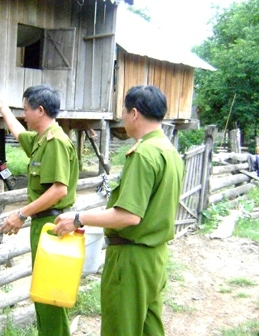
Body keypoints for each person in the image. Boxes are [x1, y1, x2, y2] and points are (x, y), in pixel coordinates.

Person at [53, 85, 184, 336]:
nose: (123, 117)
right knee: (148, 328)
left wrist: (78, 218)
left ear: (134, 113)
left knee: (120, 328)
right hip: (155, 256)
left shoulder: (144, 154)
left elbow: (128, 215)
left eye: (123, 111)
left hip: (131, 258)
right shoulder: (170, 151)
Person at [0, 85, 79, 336]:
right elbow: (17, 132)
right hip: (45, 225)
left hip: (53, 226)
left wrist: (21, 213)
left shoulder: (56, 142)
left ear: (40, 110)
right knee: (43, 292)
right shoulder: (40, 139)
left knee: (50, 294)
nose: (24, 115)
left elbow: (59, 190)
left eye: (25, 109)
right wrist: (4, 109)